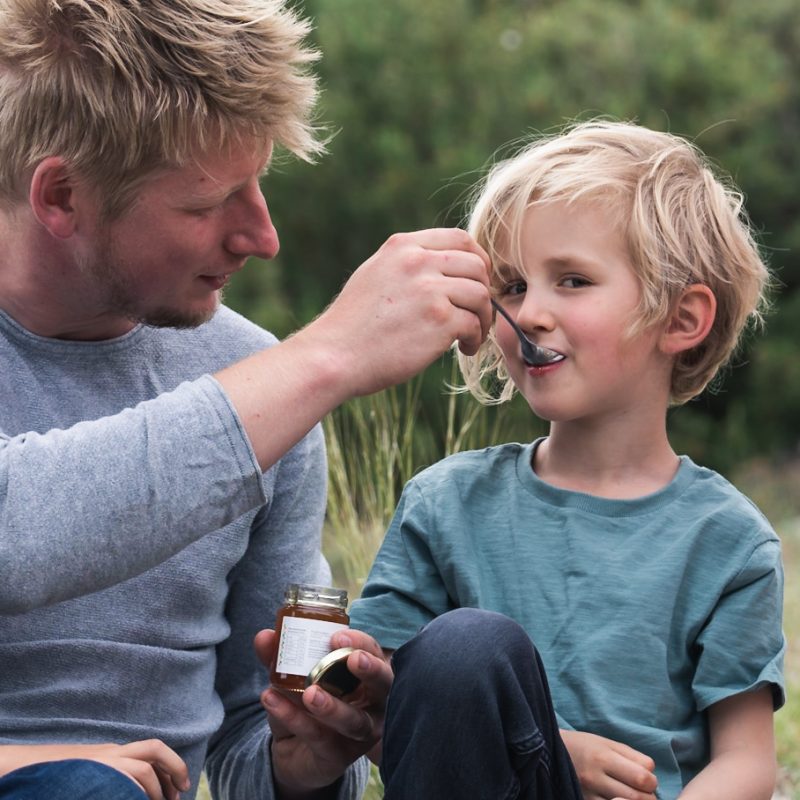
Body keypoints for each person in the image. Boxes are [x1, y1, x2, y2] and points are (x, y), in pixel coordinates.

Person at [0, 0, 492, 798]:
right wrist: (327, 356)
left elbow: (242, 738)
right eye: (205, 204)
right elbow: (13, 532)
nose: (261, 236)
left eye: (257, 184)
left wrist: (302, 760)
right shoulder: (286, 381)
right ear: (60, 197)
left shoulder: (256, 373)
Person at [342, 120, 786, 799]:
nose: (532, 313)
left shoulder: (728, 540)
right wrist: (542, 748)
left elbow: (747, 762)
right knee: (466, 648)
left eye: (572, 280)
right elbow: (379, 709)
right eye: (513, 286)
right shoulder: (445, 504)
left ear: (681, 320)